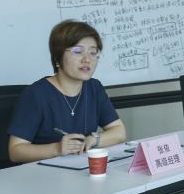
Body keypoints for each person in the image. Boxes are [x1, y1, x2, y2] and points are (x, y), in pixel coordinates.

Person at [8, 20, 127, 162]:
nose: (87, 59)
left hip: (80, 168)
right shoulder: (36, 94)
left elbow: (119, 131)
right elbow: (15, 151)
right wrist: (57, 149)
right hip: (43, 173)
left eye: (93, 52)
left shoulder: (94, 88)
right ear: (57, 58)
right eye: (77, 51)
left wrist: (93, 140)